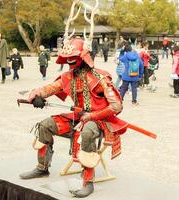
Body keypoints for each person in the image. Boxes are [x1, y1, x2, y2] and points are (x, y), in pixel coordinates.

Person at [19, 36, 128, 197]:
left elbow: (117, 106)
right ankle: (42, 168)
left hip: (100, 120)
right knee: (45, 124)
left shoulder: (101, 78)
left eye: (73, 57)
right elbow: (52, 88)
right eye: (68, 58)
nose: (70, 61)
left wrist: (92, 115)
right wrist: (37, 94)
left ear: (84, 56)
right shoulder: (68, 77)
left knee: (88, 131)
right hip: (77, 117)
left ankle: (88, 180)